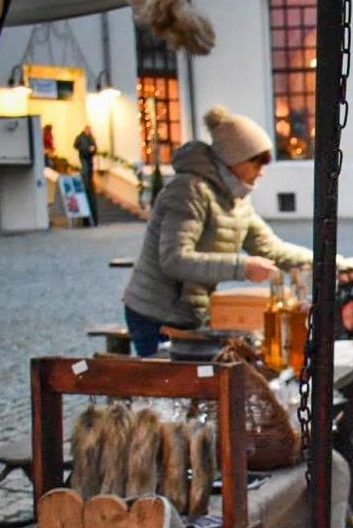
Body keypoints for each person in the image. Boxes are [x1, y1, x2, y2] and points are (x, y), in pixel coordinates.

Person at [121, 105, 307, 356]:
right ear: (233, 160)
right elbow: (174, 259)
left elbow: (270, 248)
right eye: (256, 162)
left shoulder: (237, 199)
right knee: (166, 384)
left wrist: (330, 263)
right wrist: (242, 267)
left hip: (190, 311)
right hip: (155, 312)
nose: (262, 171)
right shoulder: (189, 191)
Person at [73, 125, 99, 225]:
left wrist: (93, 149)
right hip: (84, 157)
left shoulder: (91, 138)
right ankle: (86, 180)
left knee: (89, 171)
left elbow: (95, 147)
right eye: (88, 129)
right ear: (85, 129)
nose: (89, 131)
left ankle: (88, 180)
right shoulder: (80, 137)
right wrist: (85, 149)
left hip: (89, 158)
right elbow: (76, 145)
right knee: (86, 170)